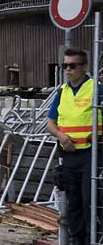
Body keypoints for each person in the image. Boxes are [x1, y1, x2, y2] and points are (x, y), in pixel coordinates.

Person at [46, 47, 102, 245]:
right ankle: (77, 240)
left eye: (72, 66)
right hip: (69, 155)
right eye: (65, 66)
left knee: (90, 202)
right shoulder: (63, 92)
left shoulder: (97, 88)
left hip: (92, 154)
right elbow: (50, 123)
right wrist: (61, 136)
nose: (67, 70)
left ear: (84, 67)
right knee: (74, 203)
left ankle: (92, 239)